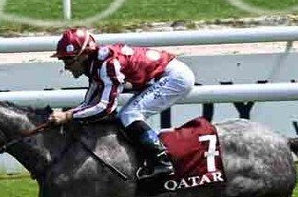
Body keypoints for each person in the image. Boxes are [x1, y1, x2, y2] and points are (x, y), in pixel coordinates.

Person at [50, 27, 196, 179]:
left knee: (130, 115)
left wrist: (67, 116)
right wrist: (70, 115)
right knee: (125, 115)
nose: (66, 66)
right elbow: (89, 103)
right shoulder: (96, 65)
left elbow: (105, 107)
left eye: (68, 60)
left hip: (174, 77)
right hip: (163, 75)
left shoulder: (107, 64)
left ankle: (162, 162)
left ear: (83, 55)